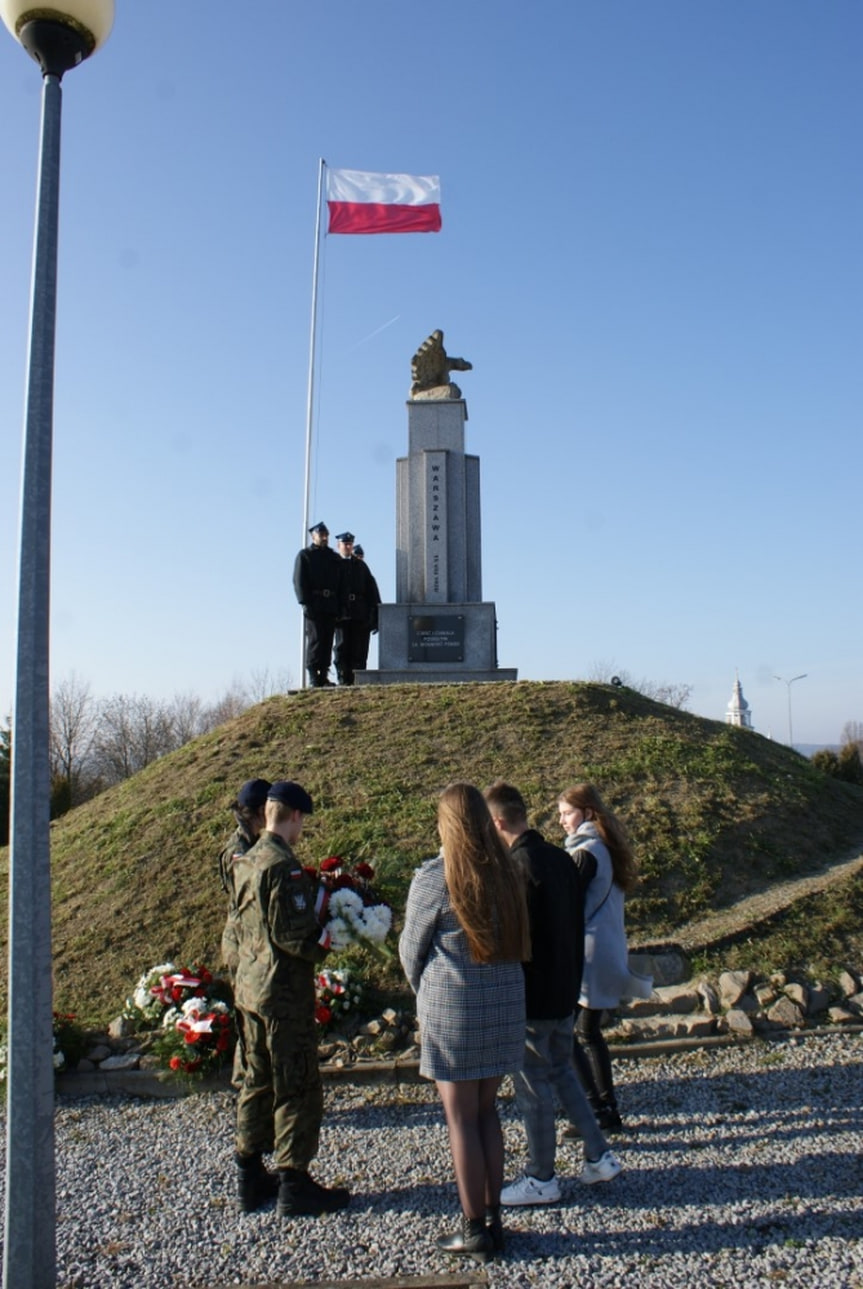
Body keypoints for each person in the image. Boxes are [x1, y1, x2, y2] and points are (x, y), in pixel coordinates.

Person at [399, 782, 531, 1264]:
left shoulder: (435, 878)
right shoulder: (509, 874)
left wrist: (424, 990)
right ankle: (494, 1219)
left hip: (454, 1008)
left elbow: (411, 950)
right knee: (487, 1112)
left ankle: (473, 1227)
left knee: (460, 1118)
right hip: (503, 1007)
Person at [484, 781, 622, 1206]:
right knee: (561, 1072)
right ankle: (599, 1156)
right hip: (564, 988)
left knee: (532, 1087)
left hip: (533, 995)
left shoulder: (517, 868)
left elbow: (514, 939)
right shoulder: (562, 859)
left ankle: (541, 1177)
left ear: (497, 822)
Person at [232, 779, 350, 1217]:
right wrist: (329, 941)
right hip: (282, 994)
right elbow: (293, 936)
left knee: (256, 1080)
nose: (303, 829)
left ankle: (248, 1175)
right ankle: (293, 1183)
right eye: (303, 820)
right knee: (296, 1085)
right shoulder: (284, 866)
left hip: (249, 989)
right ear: (294, 816)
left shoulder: (245, 859)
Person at [558, 783, 652, 1133]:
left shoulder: (586, 851)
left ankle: (596, 1111)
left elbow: (567, 901)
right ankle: (604, 1110)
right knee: (587, 1031)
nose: (562, 821)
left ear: (586, 812)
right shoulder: (604, 846)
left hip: (590, 952)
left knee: (570, 1032)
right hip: (606, 945)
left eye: (567, 813)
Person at [218, 777, 271, 1090]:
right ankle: (246, 1086)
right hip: (242, 943)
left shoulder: (252, 843)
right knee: (249, 1020)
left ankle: (255, 1084)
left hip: (253, 941)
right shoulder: (238, 850)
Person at [293, 522, 344, 687]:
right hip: (315, 603)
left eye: (326, 535)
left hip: (330, 605)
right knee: (316, 640)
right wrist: (304, 602)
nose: (324, 538)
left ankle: (324, 674)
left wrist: (340, 605)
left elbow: (341, 583)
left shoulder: (333, 557)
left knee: (327, 640)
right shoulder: (305, 555)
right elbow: (299, 580)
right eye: (321, 535)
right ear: (313, 536)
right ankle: (314, 675)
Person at [332, 531, 381, 684]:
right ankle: (343, 680)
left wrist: (376, 615)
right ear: (338, 545)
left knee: (359, 650)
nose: (348, 546)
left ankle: (358, 680)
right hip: (341, 614)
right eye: (345, 544)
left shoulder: (361, 566)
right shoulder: (332, 565)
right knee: (342, 648)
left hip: (360, 614)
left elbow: (372, 591)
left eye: (350, 544)